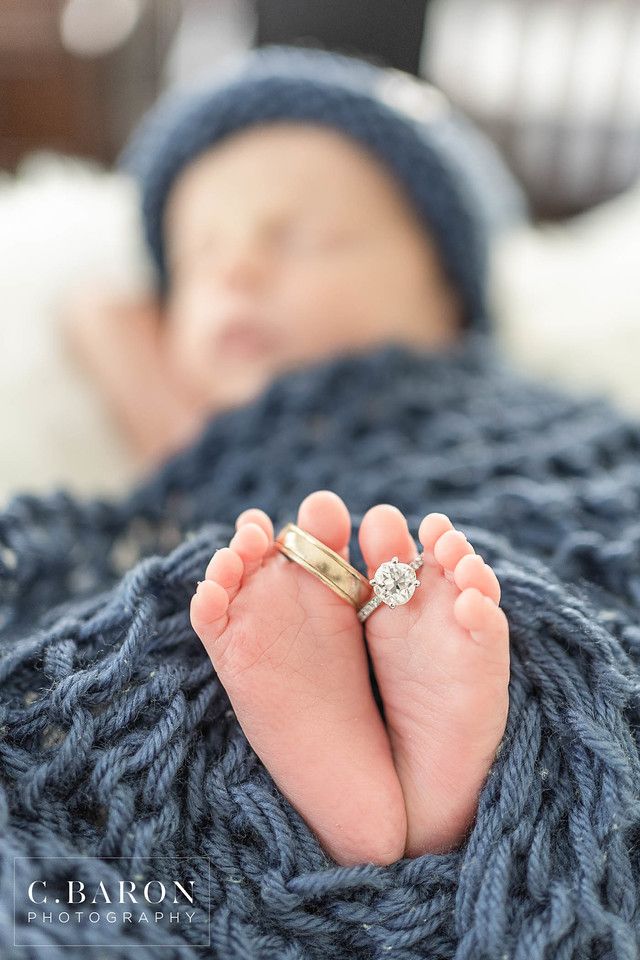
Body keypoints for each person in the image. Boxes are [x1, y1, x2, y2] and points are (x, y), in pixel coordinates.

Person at [61, 45, 519, 866]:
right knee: (224, 591)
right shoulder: (220, 432)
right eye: (199, 257)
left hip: (494, 517)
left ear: (450, 294)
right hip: (309, 562)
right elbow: (109, 324)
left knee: (517, 594)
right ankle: (374, 769)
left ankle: (446, 752)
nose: (236, 268)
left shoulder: (511, 401)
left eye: (309, 238)